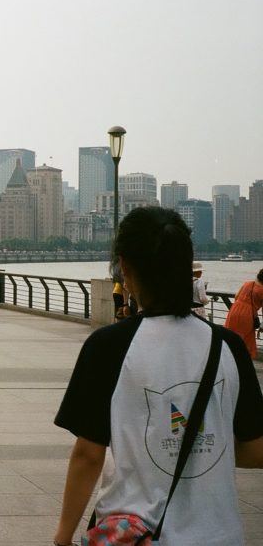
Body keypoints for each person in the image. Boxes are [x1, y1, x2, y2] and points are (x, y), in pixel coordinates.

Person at [52, 207, 263, 546]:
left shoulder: (108, 346)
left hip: (134, 535)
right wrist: (203, 443)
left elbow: (88, 455)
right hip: (220, 536)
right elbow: (255, 450)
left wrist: (62, 538)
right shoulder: (230, 347)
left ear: (126, 268)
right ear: (187, 268)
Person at [224, 268, 263, 360]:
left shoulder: (248, 283)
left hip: (235, 309)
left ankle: (228, 358)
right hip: (248, 314)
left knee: (231, 335)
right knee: (246, 339)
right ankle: (241, 362)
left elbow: (236, 296)